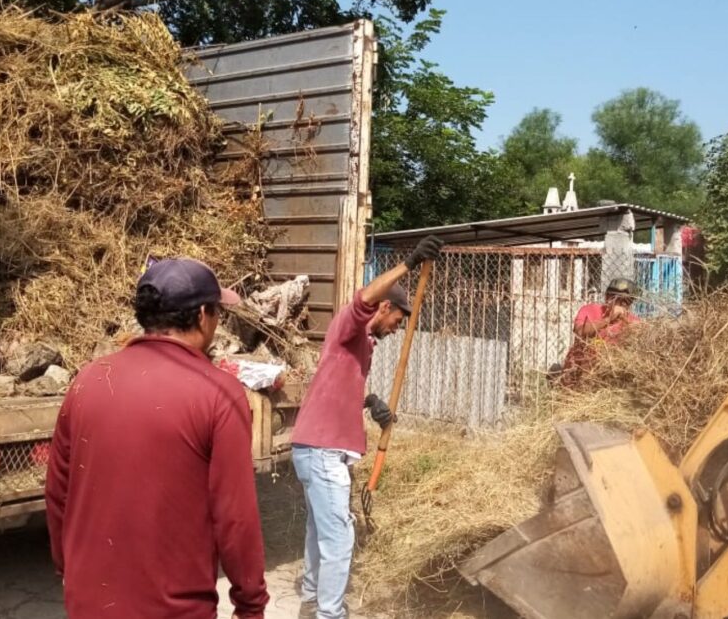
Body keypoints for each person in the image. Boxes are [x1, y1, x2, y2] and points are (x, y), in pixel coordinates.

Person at [46, 258, 269, 619]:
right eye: (217, 312)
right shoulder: (219, 394)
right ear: (201, 315)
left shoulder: (87, 380)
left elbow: (58, 493)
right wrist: (251, 605)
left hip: (88, 604)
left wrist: (68, 570)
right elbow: (235, 518)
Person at [290, 235, 443, 619]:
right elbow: (362, 299)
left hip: (312, 447)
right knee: (340, 537)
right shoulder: (349, 327)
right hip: (323, 452)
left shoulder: (363, 346)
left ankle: (311, 599)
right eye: (398, 320)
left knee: (318, 531)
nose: (396, 329)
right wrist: (409, 263)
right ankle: (330, 614)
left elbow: (338, 389)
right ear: (386, 307)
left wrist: (370, 402)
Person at [558, 277, 641, 385]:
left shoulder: (633, 321)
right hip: (581, 369)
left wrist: (628, 324)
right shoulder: (590, 309)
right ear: (607, 297)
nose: (621, 304)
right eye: (616, 299)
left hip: (612, 374)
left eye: (626, 302)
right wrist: (608, 320)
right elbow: (580, 331)